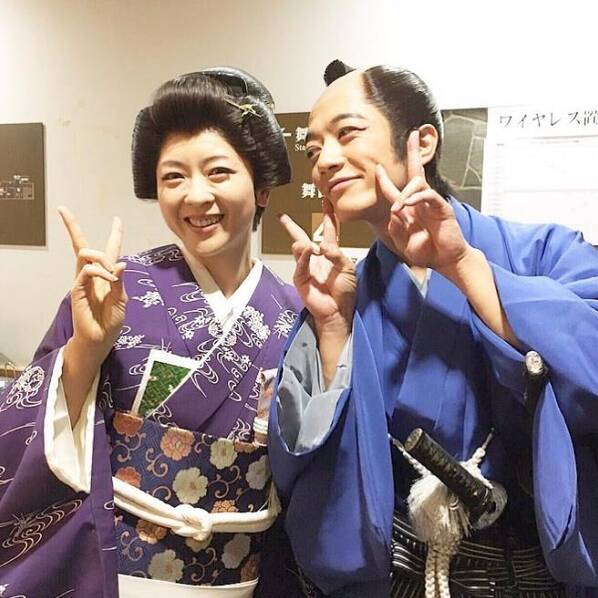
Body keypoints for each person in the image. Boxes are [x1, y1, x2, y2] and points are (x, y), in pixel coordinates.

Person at [270, 60, 598, 597]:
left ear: (422, 142)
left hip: (527, 575)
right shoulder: (347, 290)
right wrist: (331, 326)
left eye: (347, 133)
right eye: (313, 149)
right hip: (398, 574)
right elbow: (300, 457)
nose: (324, 161)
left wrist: (464, 267)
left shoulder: (544, 252)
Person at [0, 67, 302, 597]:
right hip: (117, 573)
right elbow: (29, 433)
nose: (196, 196)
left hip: (242, 581)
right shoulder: (115, 292)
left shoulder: (293, 310)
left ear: (262, 188)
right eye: (174, 177)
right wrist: (87, 348)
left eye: (218, 172)